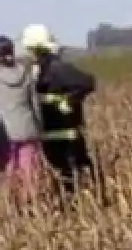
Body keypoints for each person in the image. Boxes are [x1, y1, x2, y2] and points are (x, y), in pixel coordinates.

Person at [21, 24, 98, 194]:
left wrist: (70, 100)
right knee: (61, 175)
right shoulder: (37, 70)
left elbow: (87, 82)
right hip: (50, 133)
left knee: (71, 172)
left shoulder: (58, 68)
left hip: (66, 133)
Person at [0, 35, 43, 200]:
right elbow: (34, 103)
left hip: (3, 131)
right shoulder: (25, 73)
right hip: (27, 128)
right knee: (29, 170)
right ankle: (31, 203)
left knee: (7, 170)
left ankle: (9, 205)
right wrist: (38, 125)